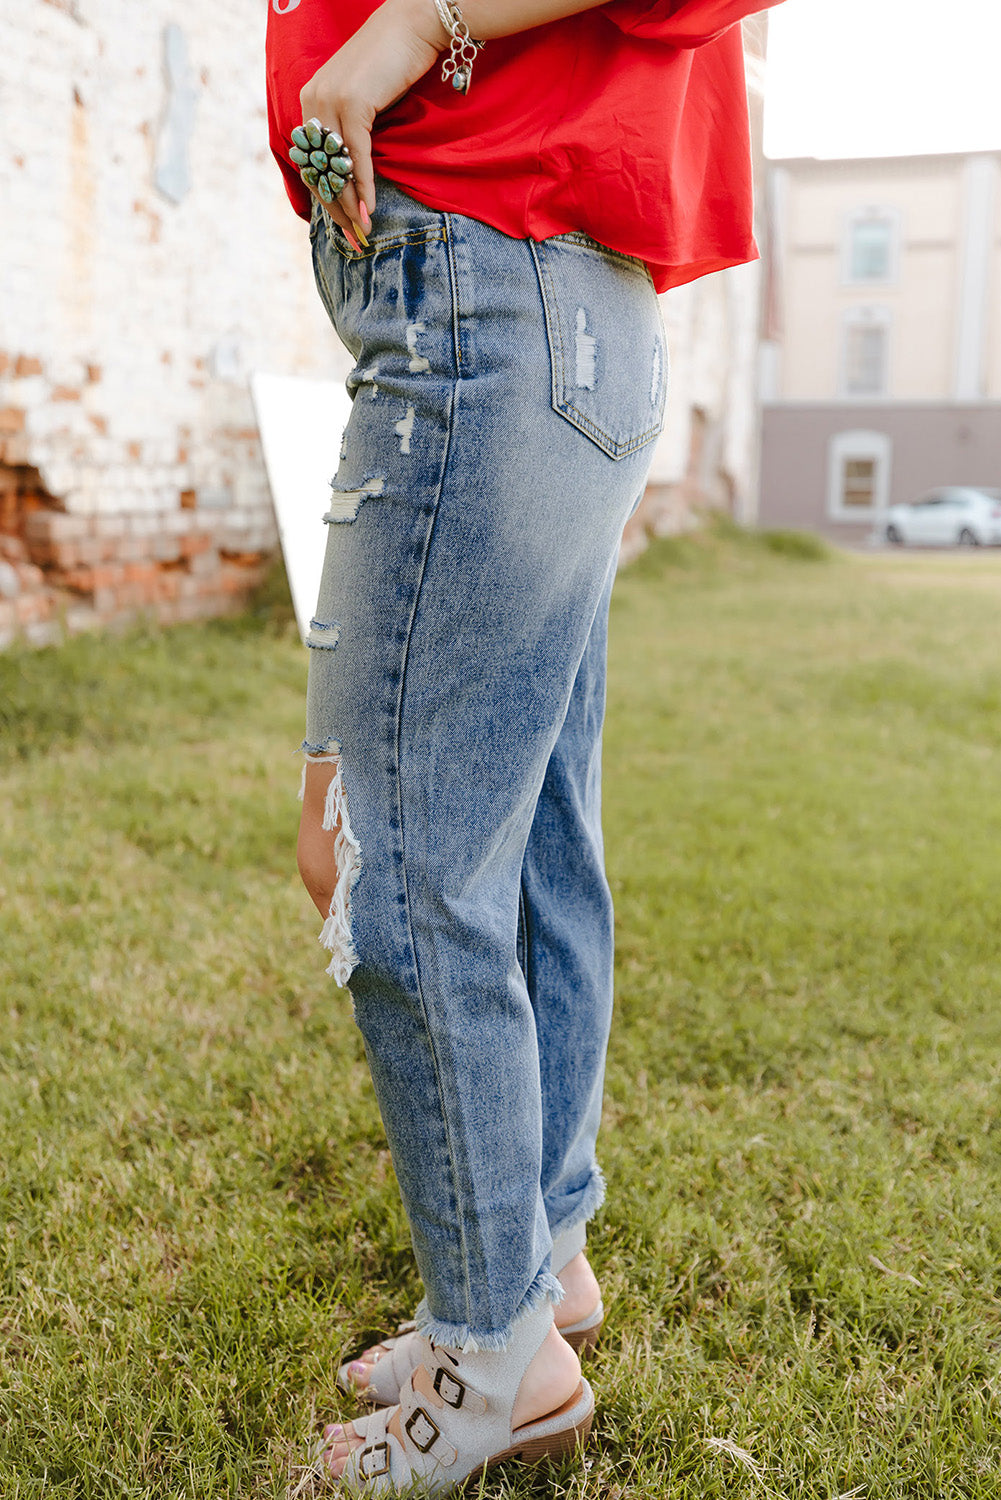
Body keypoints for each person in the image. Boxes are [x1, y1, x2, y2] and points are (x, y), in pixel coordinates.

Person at [265, 0, 778, 1489]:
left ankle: (496, 1363)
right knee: (528, 836)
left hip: (488, 286)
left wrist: (398, 38)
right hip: (538, 298)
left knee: (387, 857)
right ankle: (537, 1265)